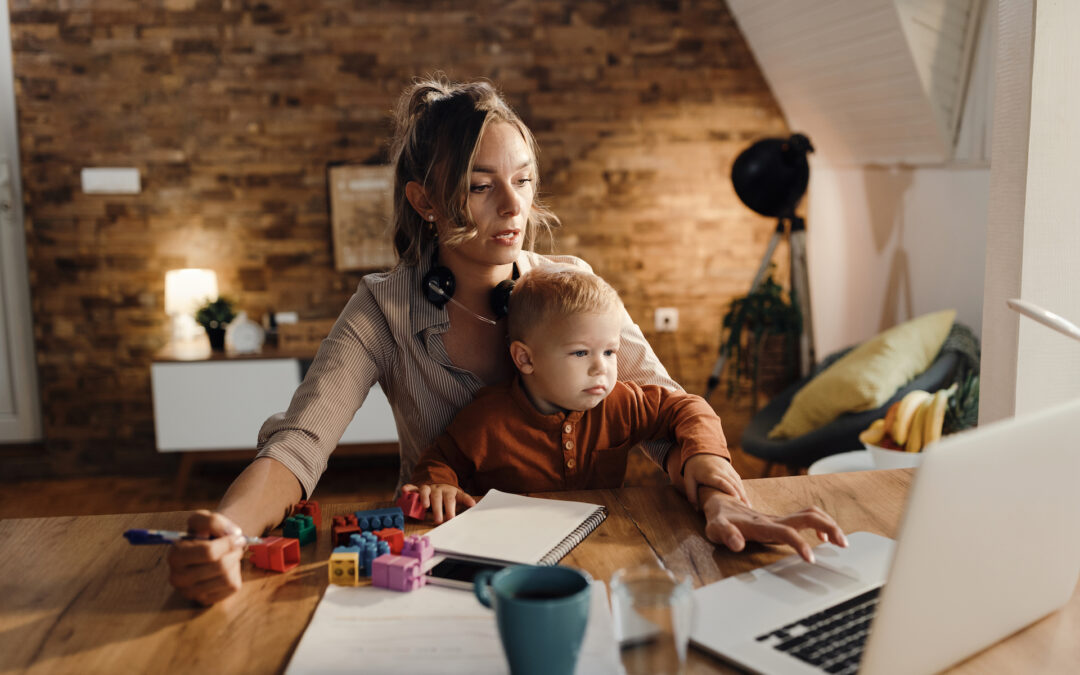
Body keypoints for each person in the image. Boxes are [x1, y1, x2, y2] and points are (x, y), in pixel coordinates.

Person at [167, 76, 845, 606]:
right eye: (480, 186)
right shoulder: (381, 307)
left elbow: (668, 409)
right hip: (442, 563)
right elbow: (299, 444)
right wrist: (229, 532)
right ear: (425, 200)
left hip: (590, 555)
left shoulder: (571, 284)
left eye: (522, 180)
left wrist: (722, 492)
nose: (514, 208)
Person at [407, 264, 749, 514]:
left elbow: (686, 407)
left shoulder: (619, 403)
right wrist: (439, 484)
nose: (602, 366)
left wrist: (704, 454)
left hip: (607, 538)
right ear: (525, 358)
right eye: (581, 352)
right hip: (518, 553)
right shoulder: (485, 420)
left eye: (610, 351)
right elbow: (439, 461)